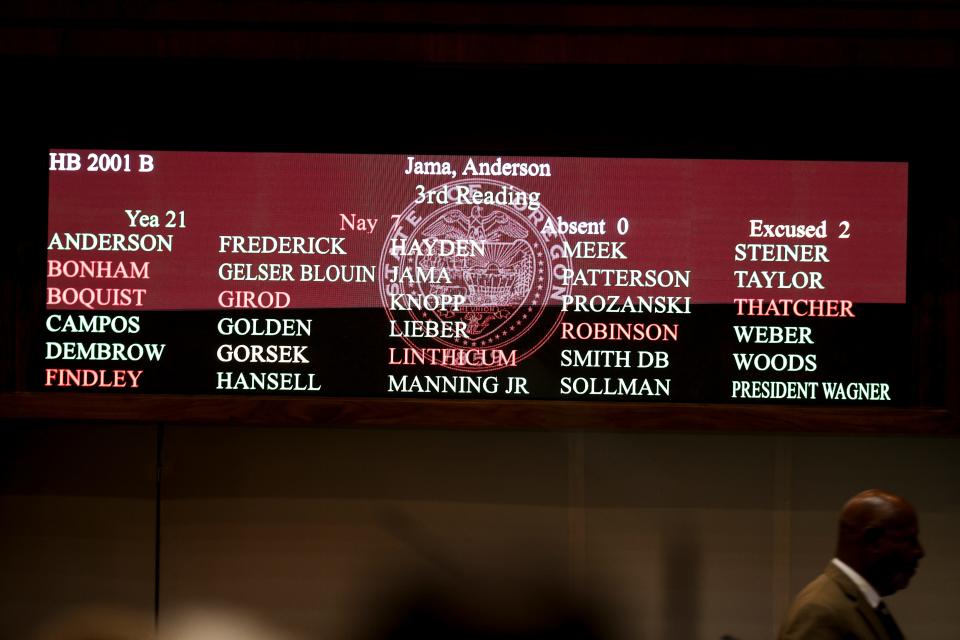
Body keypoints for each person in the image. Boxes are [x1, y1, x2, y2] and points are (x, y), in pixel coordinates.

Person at [778, 489, 925, 640]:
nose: (919, 552)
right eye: (908, 540)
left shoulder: (861, 604)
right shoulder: (819, 612)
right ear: (872, 541)